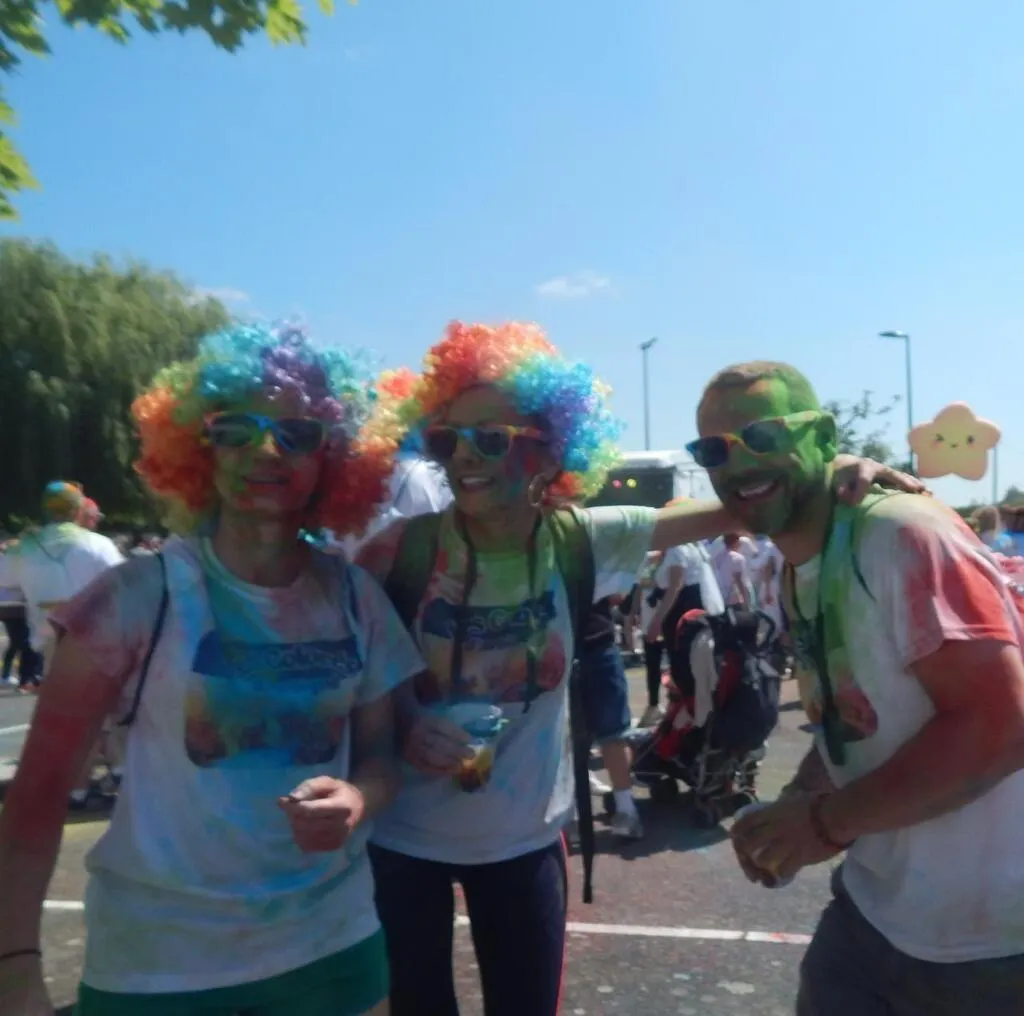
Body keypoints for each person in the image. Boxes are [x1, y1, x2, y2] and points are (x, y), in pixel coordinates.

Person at [355, 322, 914, 1016]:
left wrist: (831, 468)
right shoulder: (397, 552)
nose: (465, 456)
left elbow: (743, 505)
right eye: (447, 440)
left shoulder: (580, 539)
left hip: (525, 842)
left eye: (491, 438)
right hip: (403, 842)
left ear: (547, 450)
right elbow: (350, 677)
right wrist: (406, 722)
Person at [0, 324, 426, 1016]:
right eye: (236, 429)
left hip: (333, 950)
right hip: (161, 969)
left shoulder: (357, 598)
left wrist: (358, 799)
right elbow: (39, 793)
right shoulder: (134, 597)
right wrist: (14, 968)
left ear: (332, 458)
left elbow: (381, 754)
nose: (266, 450)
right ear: (200, 447)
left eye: (296, 434)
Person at [687, 361, 1024, 1015]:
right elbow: (854, 719)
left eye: (761, 435)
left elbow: (1002, 724)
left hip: (987, 946)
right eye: (713, 450)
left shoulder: (901, 534)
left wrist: (824, 823)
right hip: (873, 912)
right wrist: (798, 803)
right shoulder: (800, 567)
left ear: (821, 436)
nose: (737, 462)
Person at [0, 483, 123, 682]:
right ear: (77, 511)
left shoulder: (24, 547)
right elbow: (121, 581)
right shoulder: (99, 544)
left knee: (55, 685)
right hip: (88, 631)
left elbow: (4, 578)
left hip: (46, 629)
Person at [711, 532, 752, 608]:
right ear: (736, 542)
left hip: (722, 593)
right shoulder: (738, 558)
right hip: (736, 595)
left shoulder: (718, 557)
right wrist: (745, 600)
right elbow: (739, 580)